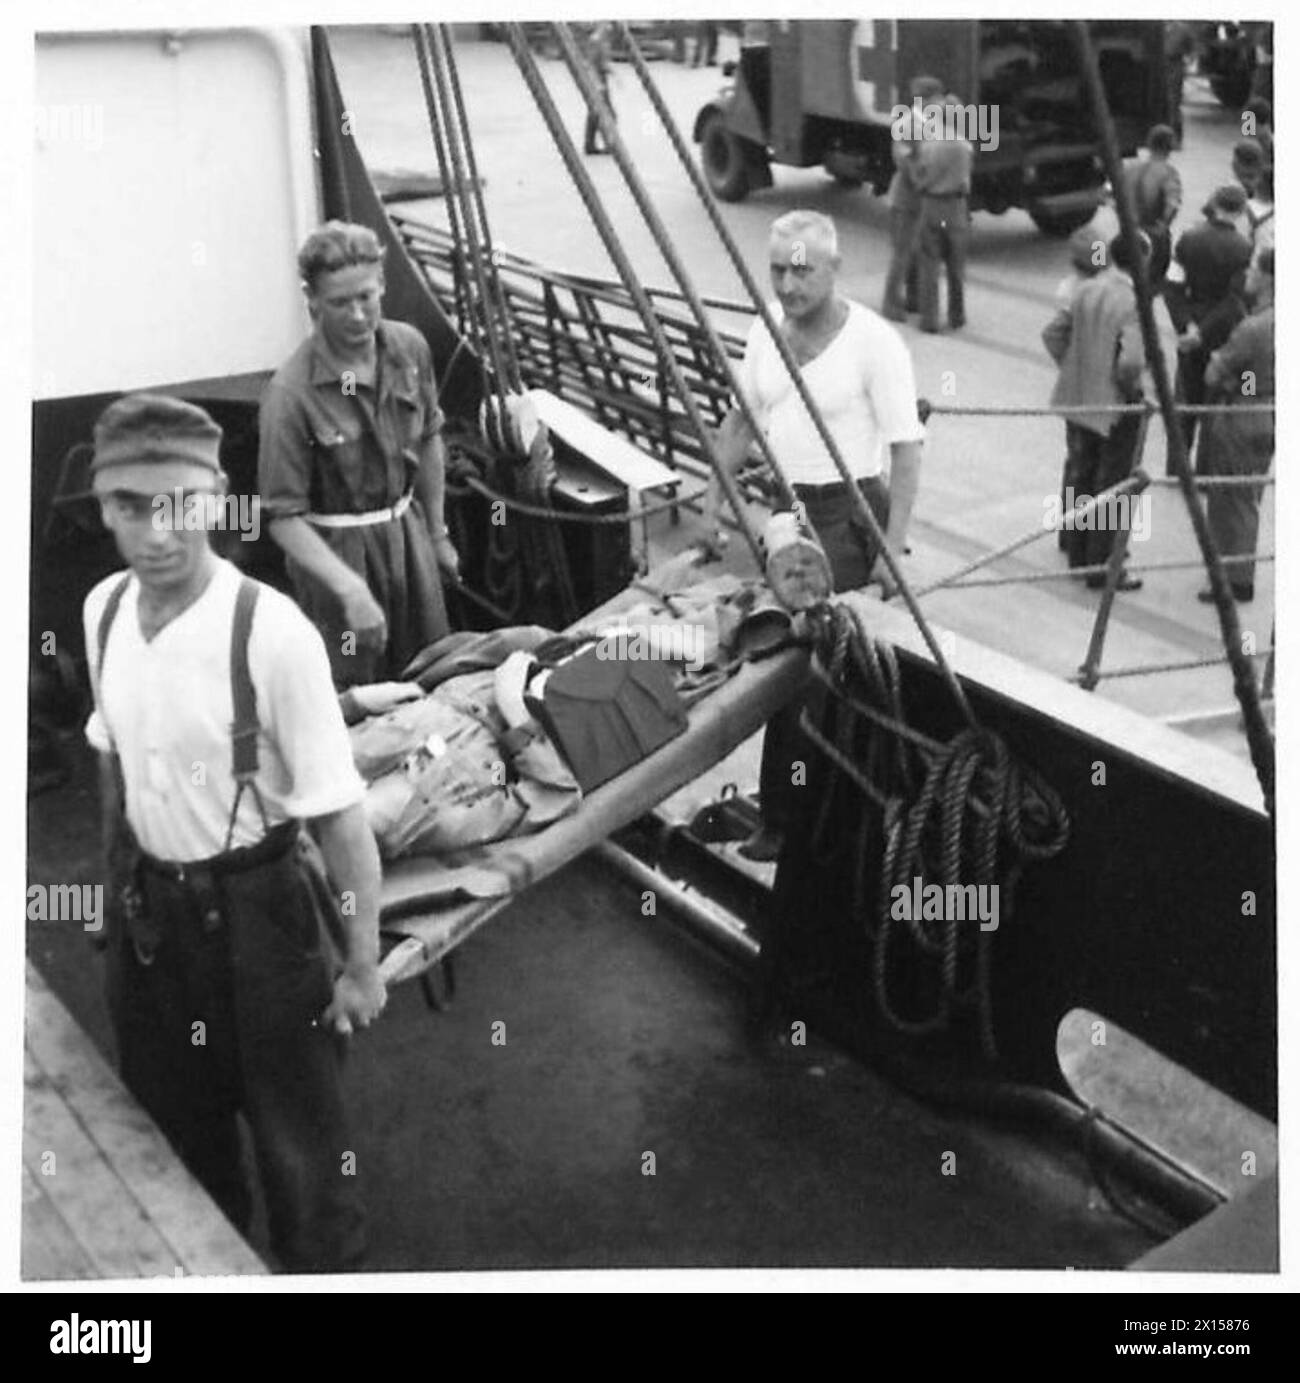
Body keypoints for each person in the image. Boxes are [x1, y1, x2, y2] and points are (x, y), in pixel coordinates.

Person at [84, 393, 386, 1273]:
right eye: (129, 506)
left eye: (178, 502)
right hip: (152, 928)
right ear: (103, 506)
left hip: (259, 919)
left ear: (217, 493)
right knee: (178, 1149)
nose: (157, 531)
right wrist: (111, 902)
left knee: (305, 1158)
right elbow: (113, 760)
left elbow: (337, 814)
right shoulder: (102, 612)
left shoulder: (271, 632)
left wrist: (361, 962)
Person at [708, 210, 925, 860]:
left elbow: (907, 450)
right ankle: (779, 817)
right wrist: (716, 503)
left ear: (833, 268)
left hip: (847, 518)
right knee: (781, 666)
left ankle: (829, 826)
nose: (788, 282)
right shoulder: (766, 330)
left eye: (802, 269)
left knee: (830, 675)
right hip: (785, 518)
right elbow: (743, 416)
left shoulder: (875, 344)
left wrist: (892, 551)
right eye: (777, 268)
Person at [259, 222, 458, 689]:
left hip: (408, 541)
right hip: (336, 558)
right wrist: (350, 589)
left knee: (435, 669)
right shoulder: (290, 394)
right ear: (311, 299)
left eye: (365, 297)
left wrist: (436, 533)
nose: (356, 315)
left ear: (382, 285)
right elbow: (282, 517)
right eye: (338, 303)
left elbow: (429, 436)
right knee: (354, 687)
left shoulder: (409, 349)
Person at [1042, 232, 1152, 590]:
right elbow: (1132, 360)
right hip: (1114, 404)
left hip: (1078, 397)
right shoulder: (1135, 301)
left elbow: (1053, 333)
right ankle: (1102, 565)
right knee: (1114, 483)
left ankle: (1077, 550)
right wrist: (1126, 386)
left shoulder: (1087, 288)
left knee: (1081, 472)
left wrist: (1074, 368)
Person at [1195, 248, 1274, 604]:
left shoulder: (1254, 328)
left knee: (1231, 500)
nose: (1250, 277)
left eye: (1256, 271)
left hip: (1243, 413)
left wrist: (1233, 377)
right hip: (1269, 412)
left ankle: (1233, 577)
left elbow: (1218, 372)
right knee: (1248, 494)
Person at [1163, 185, 1253, 461]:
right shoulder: (1243, 249)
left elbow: (1172, 286)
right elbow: (1234, 300)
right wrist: (1204, 332)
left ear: (1214, 204)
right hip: (1222, 333)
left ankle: (1176, 466)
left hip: (1189, 328)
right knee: (1213, 404)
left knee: (1184, 401)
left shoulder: (1188, 239)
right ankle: (1203, 471)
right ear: (1240, 211)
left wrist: (1187, 326)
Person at [880, 75, 945, 322]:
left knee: (918, 251)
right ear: (927, 99)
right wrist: (925, 180)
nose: (941, 104)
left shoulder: (933, 122)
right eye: (938, 99)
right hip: (907, 198)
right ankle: (890, 302)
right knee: (902, 253)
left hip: (925, 197)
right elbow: (904, 160)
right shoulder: (908, 124)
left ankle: (914, 298)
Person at [913, 92, 973, 333]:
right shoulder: (964, 147)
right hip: (956, 209)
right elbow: (966, 183)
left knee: (929, 264)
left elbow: (920, 178)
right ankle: (956, 315)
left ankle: (929, 320)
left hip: (932, 207)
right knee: (956, 267)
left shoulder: (929, 146)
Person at [1119, 125, 1181, 287]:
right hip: (1154, 236)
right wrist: (1163, 225)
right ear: (1170, 147)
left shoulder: (1129, 167)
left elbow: (1108, 194)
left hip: (1128, 231)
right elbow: (1172, 205)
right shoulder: (1169, 173)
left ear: (1149, 143)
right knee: (1150, 285)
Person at [582, 22, 616, 153]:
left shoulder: (603, 41)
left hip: (601, 78)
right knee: (607, 114)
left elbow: (602, 61)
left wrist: (611, 72)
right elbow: (590, 64)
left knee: (595, 113)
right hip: (596, 80)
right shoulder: (596, 41)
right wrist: (597, 83)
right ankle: (607, 144)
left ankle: (590, 144)